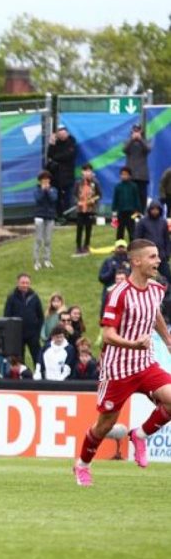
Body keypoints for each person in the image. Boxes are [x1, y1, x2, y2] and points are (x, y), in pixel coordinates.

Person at [73, 238, 171, 487]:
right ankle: (82, 464)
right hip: (117, 369)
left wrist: (168, 341)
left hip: (145, 364)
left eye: (157, 256)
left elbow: (155, 314)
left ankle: (139, 434)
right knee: (105, 425)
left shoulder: (156, 289)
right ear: (136, 261)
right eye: (152, 257)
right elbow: (107, 335)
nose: (158, 261)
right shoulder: (118, 294)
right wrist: (133, 344)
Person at [3, 273, 44, 368]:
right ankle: (22, 376)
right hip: (17, 334)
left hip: (32, 334)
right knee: (19, 357)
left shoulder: (34, 296)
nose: (25, 285)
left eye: (27, 283)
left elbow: (40, 315)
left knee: (37, 356)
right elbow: (7, 316)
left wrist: (37, 332)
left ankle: (39, 374)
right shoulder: (11, 297)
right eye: (23, 283)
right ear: (18, 283)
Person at [46, 123, 77, 220]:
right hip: (56, 176)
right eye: (59, 132)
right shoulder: (56, 144)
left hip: (68, 176)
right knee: (57, 197)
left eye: (63, 132)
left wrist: (56, 158)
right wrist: (51, 144)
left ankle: (67, 216)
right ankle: (58, 216)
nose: (62, 134)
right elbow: (50, 155)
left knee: (68, 197)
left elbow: (69, 155)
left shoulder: (72, 142)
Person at [135, 201, 171, 282]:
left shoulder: (163, 222)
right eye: (153, 209)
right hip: (147, 256)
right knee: (144, 277)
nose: (155, 211)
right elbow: (137, 239)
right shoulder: (142, 222)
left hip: (161, 256)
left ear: (160, 210)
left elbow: (167, 239)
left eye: (157, 209)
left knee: (168, 277)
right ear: (149, 210)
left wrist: (167, 253)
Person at [72, 163, 102, 255]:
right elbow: (74, 195)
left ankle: (86, 245)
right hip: (81, 209)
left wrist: (93, 200)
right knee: (79, 228)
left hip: (90, 209)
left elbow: (99, 195)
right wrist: (77, 202)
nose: (87, 173)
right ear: (82, 172)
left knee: (88, 228)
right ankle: (78, 246)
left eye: (89, 171)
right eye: (85, 171)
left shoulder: (95, 182)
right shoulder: (78, 182)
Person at [33, 170, 58, 270]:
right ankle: (36, 261)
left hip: (50, 216)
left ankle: (47, 260)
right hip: (39, 216)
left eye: (47, 180)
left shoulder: (53, 190)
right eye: (43, 180)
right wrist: (43, 191)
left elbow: (54, 199)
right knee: (38, 239)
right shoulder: (37, 190)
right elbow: (38, 199)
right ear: (40, 181)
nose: (46, 182)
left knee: (48, 240)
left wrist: (47, 190)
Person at [123, 123, 151, 213]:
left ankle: (141, 215)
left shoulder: (146, 141)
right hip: (131, 176)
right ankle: (131, 216)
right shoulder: (127, 142)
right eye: (134, 130)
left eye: (138, 130)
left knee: (142, 197)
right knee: (130, 198)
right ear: (132, 131)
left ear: (141, 131)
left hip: (142, 176)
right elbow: (124, 150)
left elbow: (148, 149)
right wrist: (132, 139)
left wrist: (140, 140)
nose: (136, 132)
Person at [98, 239, 131, 310]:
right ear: (115, 249)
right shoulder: (108, 261)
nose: (121, 249)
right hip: (110, 291)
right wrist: (111, 272)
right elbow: (101, 278)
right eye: (119, 247)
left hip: (127, 292)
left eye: (123, 247)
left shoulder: (130, 262)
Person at [112, 166, 141, 243]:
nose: (124, 176)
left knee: (132, 230)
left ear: (130, 176)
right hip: (121, 212)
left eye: (126, 174)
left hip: (131, 212)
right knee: (120, 230)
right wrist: (114, 211)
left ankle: (133, 245)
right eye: (122, 174)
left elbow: (137, 199)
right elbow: (115, 199)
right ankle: (119, 246)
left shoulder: (133, 186)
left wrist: (138, 210)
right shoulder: (118, 187)